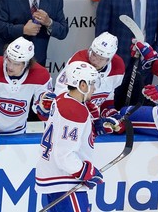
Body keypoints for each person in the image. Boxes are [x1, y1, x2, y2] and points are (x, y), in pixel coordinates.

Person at [35, 61, 104, 211]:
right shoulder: (74, 110)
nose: (94, 88)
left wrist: (94, 126)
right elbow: (64, 154)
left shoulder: (63, 98)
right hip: (64, 182)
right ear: (82, 85)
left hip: (53, 179)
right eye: (92, 84)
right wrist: (85, 172)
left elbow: (66, 136)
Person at [95, 0, 158, 109]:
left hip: (145, 63)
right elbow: (101, 31)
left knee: (141, 105)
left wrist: (154, 54)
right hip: (117, 63)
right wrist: (109, 59)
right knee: (114, 106)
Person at [54, 31, 126, 134]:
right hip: (66, 123)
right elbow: (61, 102)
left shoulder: (118, 67)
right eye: (94, 54)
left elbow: (107, 96)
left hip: (89, 124)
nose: (95, 61)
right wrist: (93, 121)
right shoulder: (78, 64)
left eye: (101, 58)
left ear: (109, 59)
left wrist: (110, 114)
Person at [0, 36, 55, 135]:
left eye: (16, 64)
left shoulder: (40, 75)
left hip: (18, 134)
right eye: (9, 60)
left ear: (27, 63)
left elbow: (44, 115)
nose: (10, 67)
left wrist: (45, 107)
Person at [0, 0, 69, 66]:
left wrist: (49, 22)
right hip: (7, 60)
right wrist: (22, 30)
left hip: (36, 62)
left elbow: (63, 31)